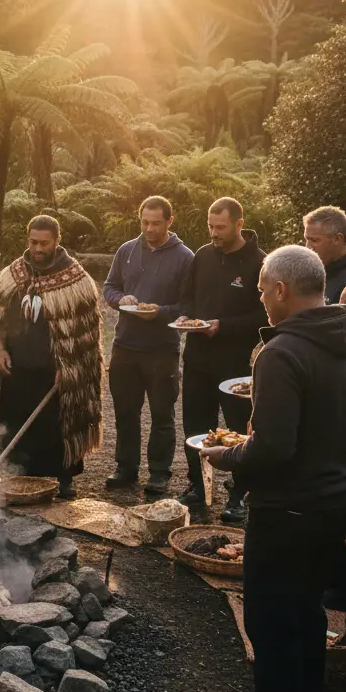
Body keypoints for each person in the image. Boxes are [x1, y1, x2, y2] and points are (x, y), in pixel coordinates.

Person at [202, 246, 346, 692]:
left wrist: (225, 455)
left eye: (264, 288)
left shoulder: (282, 352)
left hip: (288, 511)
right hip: (338, 507)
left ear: (283, 290)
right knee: (307, 613)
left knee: (270, 624)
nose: (262, 296)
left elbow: (272, 449)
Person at [0, 216, 104, 499]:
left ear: (57, 241)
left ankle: (63, 479)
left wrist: (69, 367)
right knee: (17, 421)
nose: (37, 248)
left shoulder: (77, 280)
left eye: (44, 243)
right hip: (17, 367)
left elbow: (87, 334)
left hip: (56, 372)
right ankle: (22, 476)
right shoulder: (13, 275)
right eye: (33, 242)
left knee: (57, 426)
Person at [178, 198, 267, 522]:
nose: (213, 233)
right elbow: (186, 293)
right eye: (210, 227)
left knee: (238, 430)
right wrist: (187, 315)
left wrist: (224, 326)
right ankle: (198, 489)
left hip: (234, 365)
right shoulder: (202, 255)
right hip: (197, 358)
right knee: (195, 426)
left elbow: (263, 313)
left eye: (220, 227)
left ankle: (237, 496)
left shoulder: (259, 262)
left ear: (239, 224)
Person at [102, 196, 194, 496]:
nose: (150, 228)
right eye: (145, 222)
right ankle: (125, 468)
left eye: (156, 223)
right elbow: (110, 287)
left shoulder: (185, 257)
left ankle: (159, 473)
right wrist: (120, 300)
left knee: (161, 413)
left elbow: (188, 304)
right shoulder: (126, 250)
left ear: (170, 221)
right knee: (125, 411)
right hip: (125, 345)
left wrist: (162, 311)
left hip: (162, 348)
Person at [302, 205, 346, 304]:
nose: (308, 247)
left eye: (314, 240)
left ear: (337, 239)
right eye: (307, 239)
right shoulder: (311, 274)